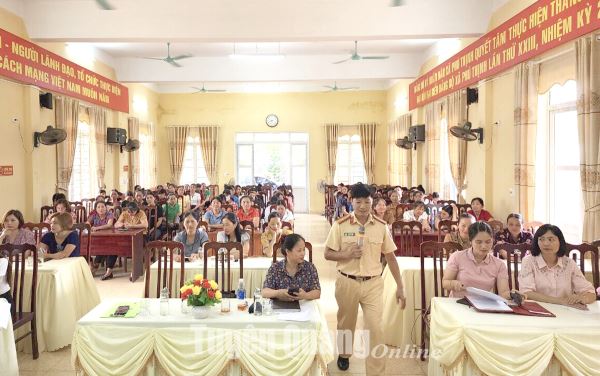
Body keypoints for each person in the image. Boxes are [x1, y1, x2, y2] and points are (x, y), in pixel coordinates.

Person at [324, 183, 405, 375]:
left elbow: (390, 257)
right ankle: (344, 354)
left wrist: (401, 287)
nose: (362, 206)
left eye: (366, 202)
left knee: (375, 328)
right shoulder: (340, 225)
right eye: (358, 201)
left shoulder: (380, 226)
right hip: (347, 282)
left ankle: (375, 371)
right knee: (346, 323)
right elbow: (327, 254)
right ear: (351, 202)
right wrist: (347, 253)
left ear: (372, 203)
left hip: (373, 283)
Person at [518, 224, 596, 306]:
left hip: (565, 312)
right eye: (541, 239)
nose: (546, 243)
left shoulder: (569, 264)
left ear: (560, 242)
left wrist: (582, 298)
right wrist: (560, 301)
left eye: (551, 239)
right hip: (539, 311)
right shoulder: (528, 261)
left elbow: (590, 293)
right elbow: (526, 292)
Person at [442, 221, 510, 299]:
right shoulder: (457, 257)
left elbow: (504, 292)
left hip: (483, 306)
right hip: (458, 304)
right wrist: (453, 284)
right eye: (478, 242)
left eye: (488, 242)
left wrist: (512, 296)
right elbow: (445, 282)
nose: (484, 246)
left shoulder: (499, 264)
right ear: (470, 241)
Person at [262, 233, 321, 300]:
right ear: (287, 251)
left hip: (304, 307)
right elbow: (264, 292)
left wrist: (305, 295)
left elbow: (317, 292)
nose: (303, 253)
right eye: (299, 250)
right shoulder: (275, 268)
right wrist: (278, 293)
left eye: (304, 250)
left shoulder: (310, 267)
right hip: (280, 307)